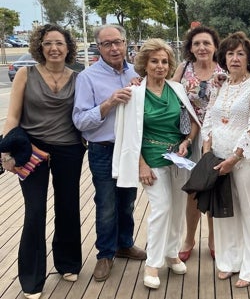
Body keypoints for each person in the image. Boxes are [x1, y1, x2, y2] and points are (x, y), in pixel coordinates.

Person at [2, 24, 86, 299]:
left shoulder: (78, 77)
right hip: (32, 150)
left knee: (68, 207)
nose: (54, 48)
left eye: (59, 43)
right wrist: (5, 152)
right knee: (35, 211)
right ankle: (31, 278)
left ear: (68, 47)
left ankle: (68, 263)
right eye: (48, 43)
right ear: (40, 46)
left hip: (69, 149)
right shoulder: (26, 74)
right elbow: (12, 117)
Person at [112, 39, 200, 289]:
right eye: (154, 61)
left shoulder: (177, 89)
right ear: (145, 64)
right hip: (150, 159)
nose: (160, 66)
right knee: (161, 208)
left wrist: (188, 141)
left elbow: (192, 122)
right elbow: (128, 133)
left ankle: (172, 253)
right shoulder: (135, 94)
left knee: (177, 206)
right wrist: (141, 164)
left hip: (178, 158)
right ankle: (152, 264)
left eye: (164, 61)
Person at [73, 24, 146, 283]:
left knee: (127, 200)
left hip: (130, 149)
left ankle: (125, 244)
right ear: (99, 47)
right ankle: (105, 254)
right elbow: (80, 121)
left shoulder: (138, 73)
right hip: (103, 149)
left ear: (126, 43)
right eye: (107, 44)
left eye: (118, 42)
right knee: (106, 204)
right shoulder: (87, 77)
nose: (114, 48)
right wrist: (108, 103)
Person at [201, 31, 250, 288]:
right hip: (218, 157)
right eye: (230, 53)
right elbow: (209, 117)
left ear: (249, 58)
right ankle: (228, 262)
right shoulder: (221, 84)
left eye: (241, 53)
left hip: (246, 160)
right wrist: (207, 149)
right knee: (224, 213)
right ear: (223, 58)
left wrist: (235, 157)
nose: (235, 58)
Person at [173, 25, 225, 262]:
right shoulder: (184, 69)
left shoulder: (224, 70)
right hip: (189, 137)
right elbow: (167, 92)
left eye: (206, 43)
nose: (202, 47)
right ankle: (189, 238)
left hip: (219, 138)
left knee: (214, 187)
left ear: (215, 46)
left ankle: (215, 238)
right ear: (190, 48)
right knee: (193, 189)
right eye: (196, 44)